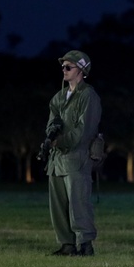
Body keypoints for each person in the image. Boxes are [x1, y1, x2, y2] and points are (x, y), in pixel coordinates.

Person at [45, 51, 102, 256]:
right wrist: (50, 138)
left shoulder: (88, 96)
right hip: (57, 160)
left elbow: (84, 130)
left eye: (68, 67)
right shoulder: (59, 97)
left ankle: (85, 244)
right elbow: (51, 123)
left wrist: (61, 140)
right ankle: (67, 244)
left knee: (78, 203)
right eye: (63, 67)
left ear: (81, 70)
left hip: (77, 158)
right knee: (58, 205)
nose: (64, 70)